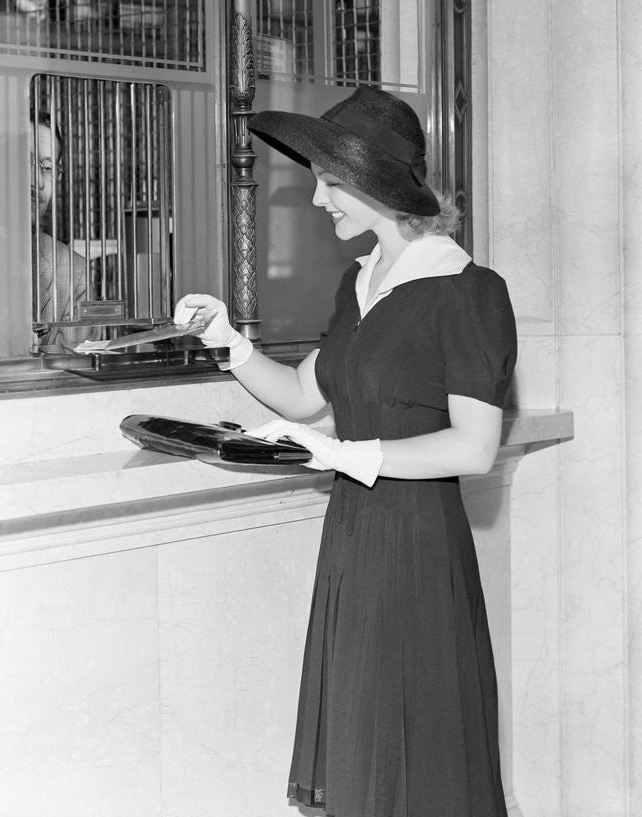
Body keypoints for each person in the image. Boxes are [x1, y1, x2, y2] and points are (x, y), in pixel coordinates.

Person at [174, 86, 517, 817]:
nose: (316, 198)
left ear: (375, 185)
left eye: (329, 182)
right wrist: (229, 342)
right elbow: (305, 395)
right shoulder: (358, 283)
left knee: (415, 751)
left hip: (419, 545)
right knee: (365, 743)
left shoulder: (468, 292)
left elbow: (475, 446)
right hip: (356, 539)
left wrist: (345, 454)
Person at [30, 110, 91, 352]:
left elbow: (76, 377)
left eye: (47, 167)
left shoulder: (72, 272)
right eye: (26, 161)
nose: (38, 181)